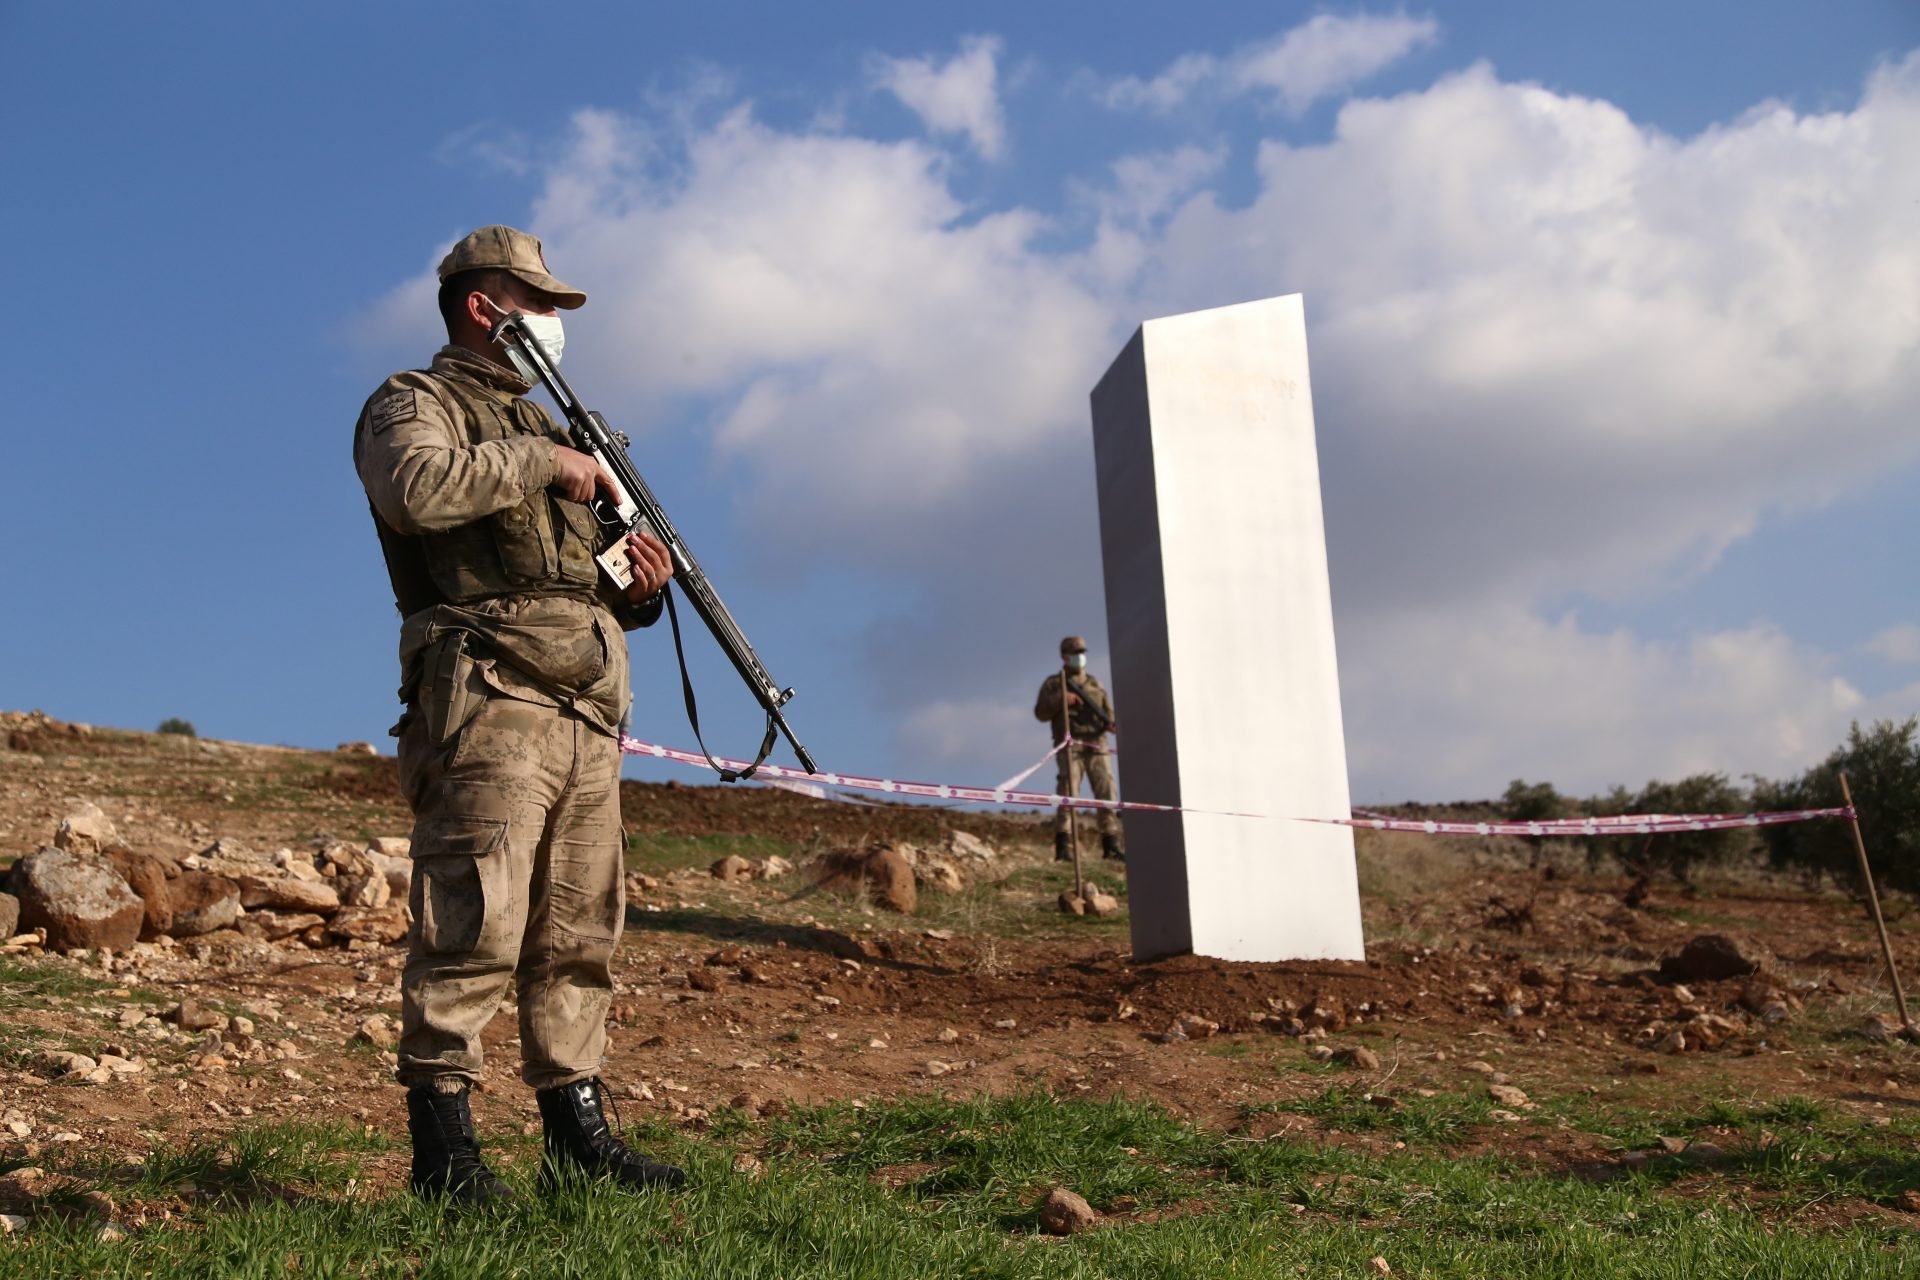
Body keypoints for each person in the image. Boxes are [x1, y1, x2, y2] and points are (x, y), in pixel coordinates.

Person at [353, 224, 685, 1206]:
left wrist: (640, 583)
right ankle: (443, 1150)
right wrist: (543, 463)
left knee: (577, 926)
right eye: (536, 302)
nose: (550, 321)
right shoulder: (414, 401)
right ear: (479, 306)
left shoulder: (562, 425)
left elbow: (594, 568)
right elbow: (415, 490)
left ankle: (576, 1131)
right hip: (489, 693)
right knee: (477, 918)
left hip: (585, 708)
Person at [1033, 635, 1125, 862]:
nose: (1079, 657)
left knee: (1107, 794)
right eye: (1075, 653)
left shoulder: (1095, 684)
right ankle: (1064, 846)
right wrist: (1061, 699)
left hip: (1097, 745)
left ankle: (1111, 843)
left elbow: (1109, 714)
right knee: (1068, 794)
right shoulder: (1054, 684)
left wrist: (1113, 724)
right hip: (1070, 746)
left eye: (1082, 653)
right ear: (1064, 656)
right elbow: (1040, 713)